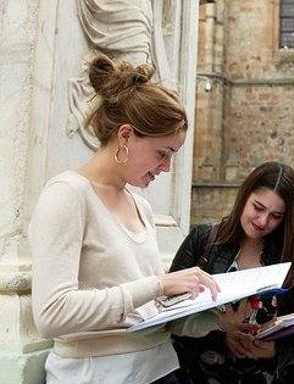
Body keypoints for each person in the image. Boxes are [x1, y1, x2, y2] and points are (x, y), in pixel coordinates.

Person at [29, 54, 220, 384]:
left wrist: (218, 318)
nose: (167, 168)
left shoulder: (140, 205)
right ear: (126, 136)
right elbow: (51, 314)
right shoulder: (68, 195)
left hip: (162, 369)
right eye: (163, 153)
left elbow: (148, 314)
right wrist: (158, 284)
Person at [169, 162, 294, 384]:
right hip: (200, 374)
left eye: (276, 216)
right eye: (258, 208)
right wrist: (221, 333)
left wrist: (274, 351)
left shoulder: (293, 255)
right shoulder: (203, 239)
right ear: (244, 196)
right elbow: (168, 315)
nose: (263, 221)